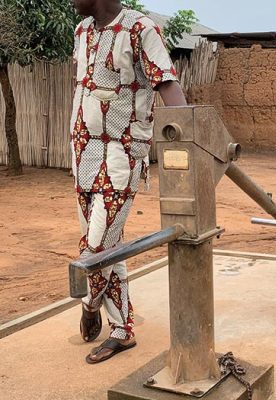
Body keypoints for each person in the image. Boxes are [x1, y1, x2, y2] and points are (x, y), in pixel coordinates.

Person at [69, 0, 187, 364]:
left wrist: (190, 139)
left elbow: (167, 84)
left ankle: (90, 304)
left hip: (120, 158)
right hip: (81, 154)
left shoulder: (140, 29)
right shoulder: (82, 31)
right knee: (110, 244)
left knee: (97, 248)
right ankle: (122, 331)